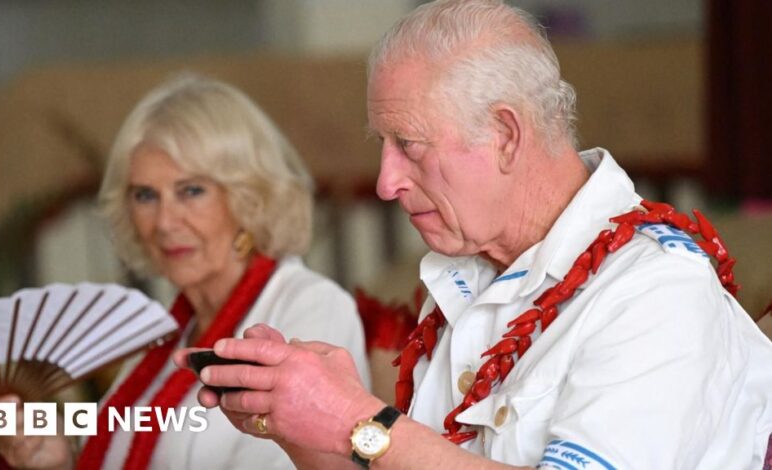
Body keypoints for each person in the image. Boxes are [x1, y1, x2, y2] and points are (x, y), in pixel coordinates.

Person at [175, 1, 772, 469]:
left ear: (506, 135)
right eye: (382, 146)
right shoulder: (471, 274)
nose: (385, 182)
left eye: (409, 145)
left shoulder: (656, 290)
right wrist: (305, 427)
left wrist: (357, 420)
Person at [0, 74, 370, 469]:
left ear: (248, 195)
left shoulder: (310, 307)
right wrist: (56, 461)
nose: (164, 222)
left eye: (191, 191)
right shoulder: (162, 339)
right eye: (145, 195)